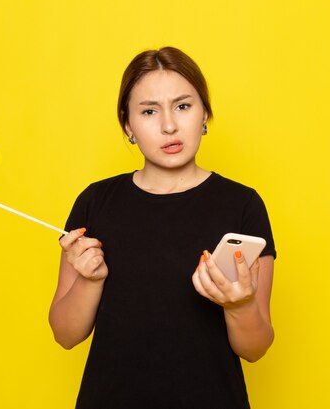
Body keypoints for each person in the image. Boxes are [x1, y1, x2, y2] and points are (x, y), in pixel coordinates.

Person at [49, 47, 276, 409]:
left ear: (205, 113)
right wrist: (90, 280)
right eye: (149, 111)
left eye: (183, 106)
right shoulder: (95, 202)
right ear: (128, 125)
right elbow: (65, 334)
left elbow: (255, 349)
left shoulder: (243, 205)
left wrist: (240, 305)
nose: (169, 125)